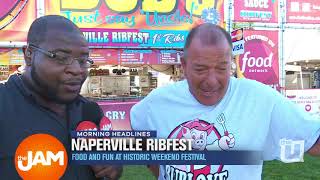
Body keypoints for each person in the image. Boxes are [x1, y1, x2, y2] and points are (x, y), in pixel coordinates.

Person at [130, 23, 320, 180]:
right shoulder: (157, 103)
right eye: (201, 69)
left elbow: (314, 139)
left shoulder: (259, 98)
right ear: (184, 66)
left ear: (231, 63)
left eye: (222, 68)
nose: (212, 80)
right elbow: (142, 138)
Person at [0, 15, 122, 179]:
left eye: (83, 60)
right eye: (61, 57)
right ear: (29, 54)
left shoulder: (89, 111)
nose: (77, 69)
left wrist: (114, 165)